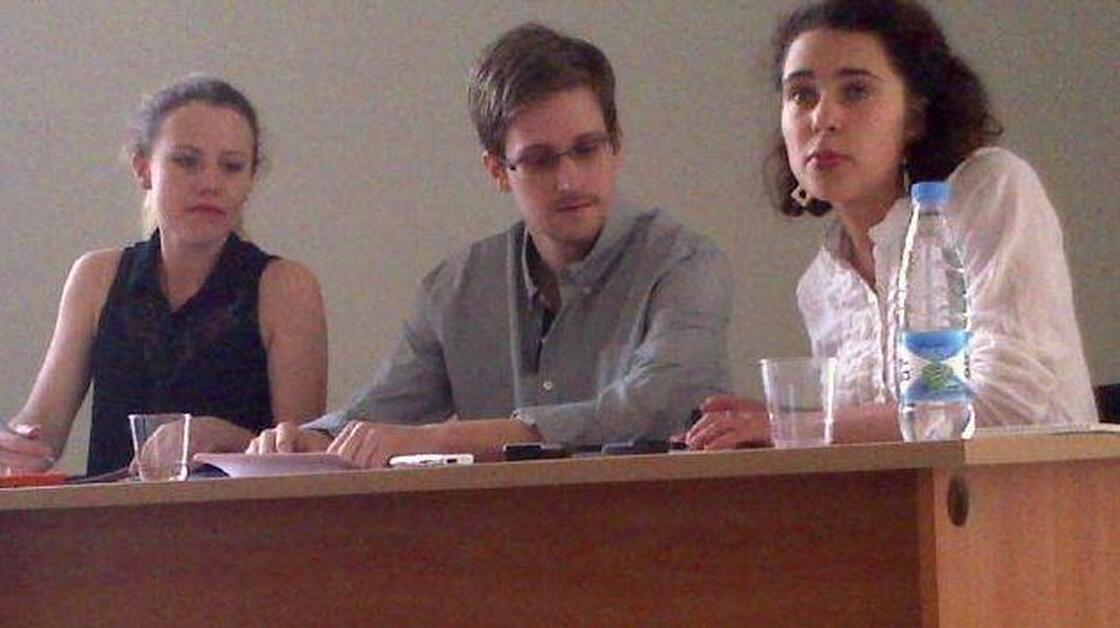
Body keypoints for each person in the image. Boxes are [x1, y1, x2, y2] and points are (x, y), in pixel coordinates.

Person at [248, 23, 731, 467]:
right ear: (498, 171)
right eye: (539, 160)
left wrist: (436, 440)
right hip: (498, 543)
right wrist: (310, 439)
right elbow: (381, 411)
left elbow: (652, 409)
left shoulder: (685, 263)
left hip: (659, 538)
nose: (569, 180)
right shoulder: (457, 287)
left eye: (586, 149)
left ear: (616, 146)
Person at [687, 0, 1096, 450]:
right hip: (911, 511)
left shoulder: (989, 189)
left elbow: (1008, 405)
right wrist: (764, 431)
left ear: (915, 116)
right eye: (801, 95)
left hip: (1044, 505)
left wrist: (796, 426)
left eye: (856, 91)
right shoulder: (820, 284)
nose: (823, 118)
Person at [0, 76, 328, 475]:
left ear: (250, 180)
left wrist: (222, 436)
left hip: (239, 525)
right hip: (111, 523)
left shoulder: (286, 287)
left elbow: (303, 461)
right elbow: (40, 431)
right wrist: (15, 448)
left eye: (231, 166)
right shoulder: (97, 276)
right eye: (186, 161)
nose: (210, 183)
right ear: (143, 168)